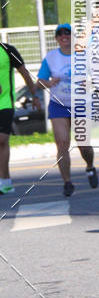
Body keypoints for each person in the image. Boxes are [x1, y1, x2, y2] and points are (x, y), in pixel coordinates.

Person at [36, 23, 97, 197]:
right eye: (60, 35)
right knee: (62, 143)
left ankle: (90, 167)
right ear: (56, 39)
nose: (64, 37)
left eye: (68, 34)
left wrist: (91, 83)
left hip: (81, 104)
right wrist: (48, 83)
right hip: (58, 105)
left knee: (83, 144)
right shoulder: (51, 57)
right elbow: (39, 82)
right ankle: (67, 182)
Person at [0, 41, 41, 194]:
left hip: (5, 103)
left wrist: (35, 96)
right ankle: (5, 180)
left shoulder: (8, 50)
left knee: (2, 140)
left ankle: (4, 182)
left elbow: (24, 73)